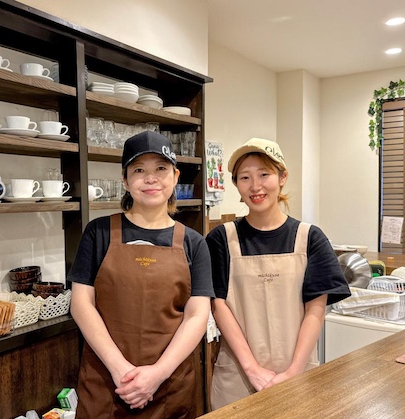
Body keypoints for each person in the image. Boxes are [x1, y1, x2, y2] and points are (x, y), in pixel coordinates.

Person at [68, 131, 214, 418]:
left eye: (160, 168)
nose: (151, 179)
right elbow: (81, 304)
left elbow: (197, 315)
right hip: (106, 381)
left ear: (175, 176)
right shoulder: (98, 233)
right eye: (138, 170)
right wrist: (120, 369)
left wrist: (158, 373)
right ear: (125, 180)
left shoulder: (194, 242)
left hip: (169, 384)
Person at [206, 138, 350, 409]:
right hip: (238, 375)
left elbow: (315, 310)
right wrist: (252, 369)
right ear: (236, 184)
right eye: (245, 177)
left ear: (282, 177)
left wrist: (293, 371)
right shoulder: (221, 239)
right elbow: (218, 304)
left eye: (264, 174)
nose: (255, 186)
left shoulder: (310, 238)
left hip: (298, 374)